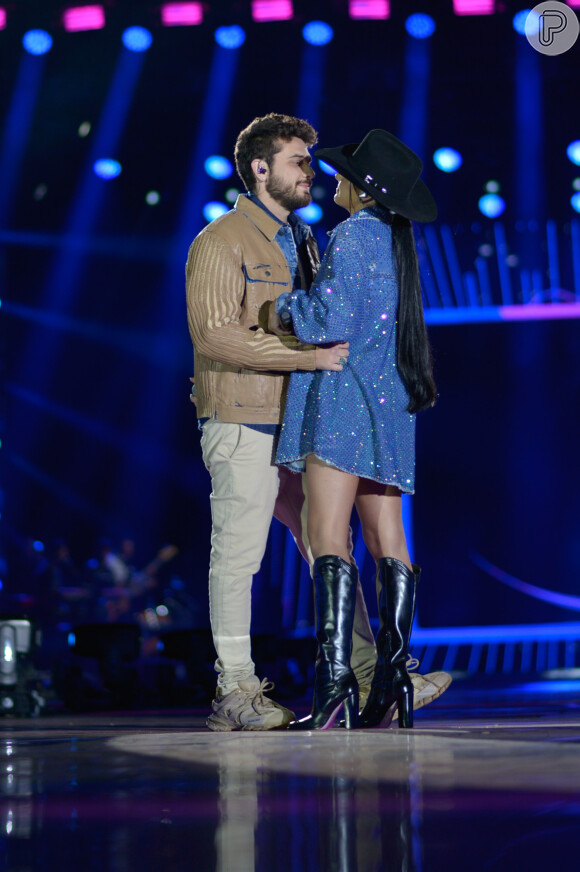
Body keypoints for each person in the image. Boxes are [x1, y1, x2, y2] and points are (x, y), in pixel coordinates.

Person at [186, 115, 449, 732]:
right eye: (299, 160)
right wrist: (307, 354)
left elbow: (338, 313)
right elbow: (215, 335)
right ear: (259, 168)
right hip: (246, 414)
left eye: (312, 161)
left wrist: (313, 352)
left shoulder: (307, 239)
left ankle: (370, 672)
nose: (312, 170)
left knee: (327, 543)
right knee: (242, 550)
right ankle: (238, 688)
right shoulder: (221, 240)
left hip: (305, 418)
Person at [267, 129, 446, 730]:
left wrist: (286, 307)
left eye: (343, 174)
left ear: (362, 189)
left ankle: (335, 680)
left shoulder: (350, 235)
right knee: (388, 541)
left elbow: (329, 319)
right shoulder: (398, 241)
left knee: (326, 538)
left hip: (344, 400)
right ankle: (394, 677)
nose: (333, 180)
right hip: (391, 402)